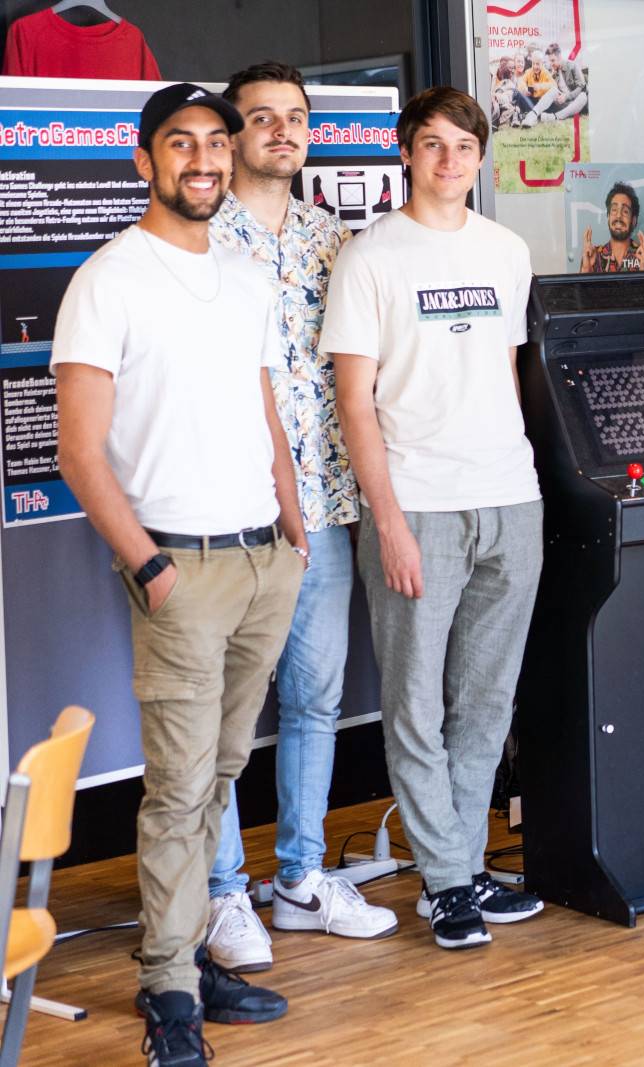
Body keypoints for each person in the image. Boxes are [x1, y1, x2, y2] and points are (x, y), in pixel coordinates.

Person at [53, 81, 309, 1065]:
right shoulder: (108, 279)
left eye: (216, 141)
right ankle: (166, 986)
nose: (203, 159)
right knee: (176, 786)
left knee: (220, 773)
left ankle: (191, 953)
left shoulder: (246, 275)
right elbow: (81, 450)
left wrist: (292, 518)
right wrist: (150, 565)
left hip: (263, 561)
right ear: (145, 162)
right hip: (181, 569)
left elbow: (262, 407)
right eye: (180, 144)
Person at [323, 86, 547, 950]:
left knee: (486, 700)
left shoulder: (507, 250)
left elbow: (504, 373)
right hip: (417, 501)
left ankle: (455, 867)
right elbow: (354, 401)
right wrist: (388, 523)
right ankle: (450, 878)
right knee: (414, 702)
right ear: (405, 155)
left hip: (509, 497)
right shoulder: (369, 257)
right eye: (432, 144)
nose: (449, 160)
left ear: (481, 159)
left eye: (464, 145)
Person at [199, 61, 399, 975]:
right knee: (222, 714)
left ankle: (303, 881)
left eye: (296, 118)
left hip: (321, 511)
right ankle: (221, 893)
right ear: (230, 135)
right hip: (229, 513)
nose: (282, 131)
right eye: (262, 118)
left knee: (315, 700)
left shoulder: (339, 240)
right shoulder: (196, 240)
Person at [580, 182, 644, 273]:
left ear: (633, 220)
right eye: (614, 210)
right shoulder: (594, 255)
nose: (618, 216)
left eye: (625, 211)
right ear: (608, 216)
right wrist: (586, 270)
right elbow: (581, 288)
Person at [530, 42, 588, 123]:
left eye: (553, 60)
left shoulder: (572, 66)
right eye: (550, 61)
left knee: (583, 95)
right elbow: (551, 91)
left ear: (559, 57)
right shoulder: (554, 73)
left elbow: (581, 87)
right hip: (565, 105)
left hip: (578, 103)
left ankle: (555, 117)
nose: (551, 63)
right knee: (553, 90)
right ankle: (533, 114)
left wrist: (567, 97)